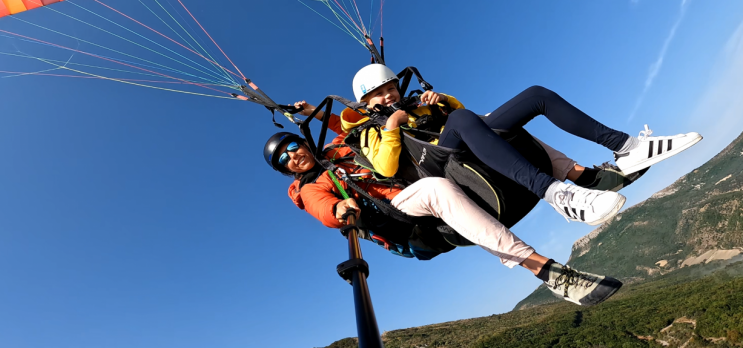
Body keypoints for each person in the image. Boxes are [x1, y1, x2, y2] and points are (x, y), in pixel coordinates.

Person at [263, 116, 622, 307]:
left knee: (486, 126)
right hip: (398, 213)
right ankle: (546, 271)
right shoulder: (311, 185)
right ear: (287, 169)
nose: (293, 155)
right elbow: (320, 208)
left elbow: (351, 129)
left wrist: (312, 113)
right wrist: (339, 207)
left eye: (293, 146)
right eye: (285, 158)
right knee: (436, 189)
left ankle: (581, 178)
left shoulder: (335, 151)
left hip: (413, 187)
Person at [342, 64, 702, 225]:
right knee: (464, 120)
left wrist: (443, 102)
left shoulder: (421, 103)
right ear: (366, 102)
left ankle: (627, 146)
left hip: (466, 147)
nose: (388, 96)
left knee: (536, 94)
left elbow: (471, 121)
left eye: (390, 88)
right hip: (438, 166)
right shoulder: (372, 130)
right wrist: (392, 124)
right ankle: (559, 195)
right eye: (378, 94)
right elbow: (386, 167)